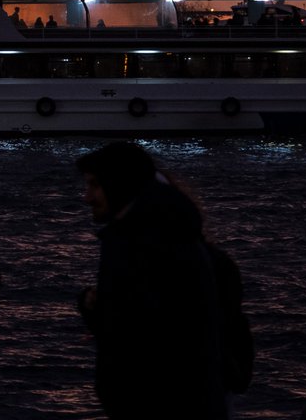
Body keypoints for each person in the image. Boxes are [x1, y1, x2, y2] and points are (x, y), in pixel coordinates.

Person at [76, 141, 229, 419]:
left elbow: (136, 337)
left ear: (117, 185)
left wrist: (95, 308)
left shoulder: (138, 245)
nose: (87, 197)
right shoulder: (170, 237)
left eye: (94, 185)